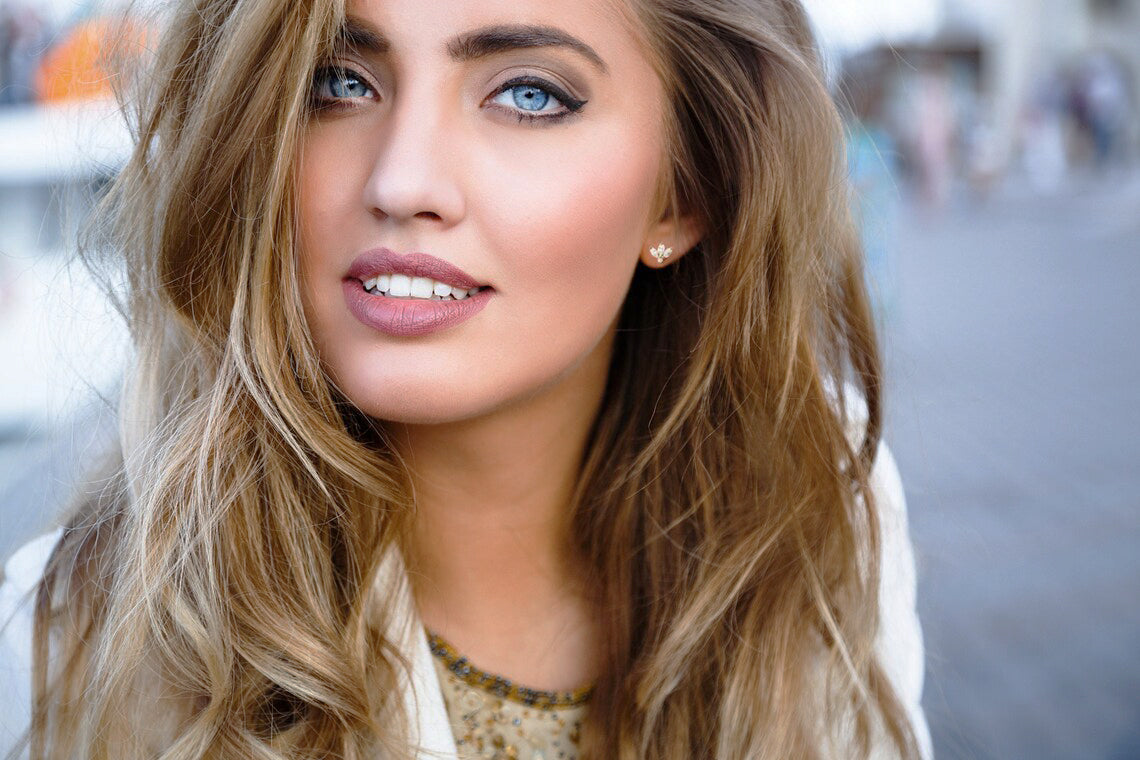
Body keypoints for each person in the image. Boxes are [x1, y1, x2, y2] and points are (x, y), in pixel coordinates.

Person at [0, 0, 932, 757]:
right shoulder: (71, 644)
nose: (402, 181)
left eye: (528, 95)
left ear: (685, 193)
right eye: (338, 82)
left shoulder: (821, 524)